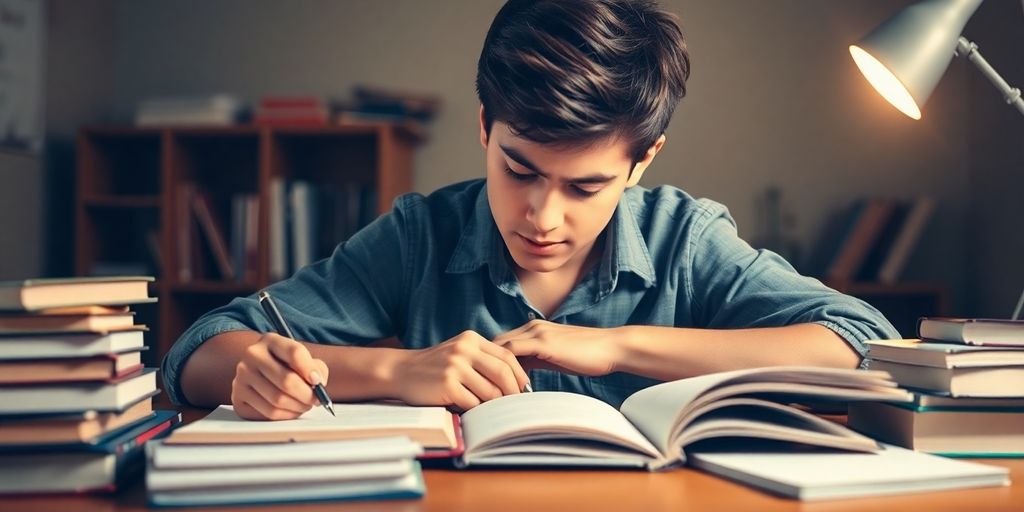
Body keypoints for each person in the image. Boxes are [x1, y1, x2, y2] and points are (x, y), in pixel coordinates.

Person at [163, 0, 898, 420]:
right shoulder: (422, 235)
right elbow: (201, 348)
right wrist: (395, 370)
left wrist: (617, 348)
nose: (543, 216)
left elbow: (864, 340)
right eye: (519, 170)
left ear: (644, 159)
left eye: (586, 187)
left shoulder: (684, 238)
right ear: (486, 127)